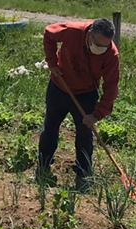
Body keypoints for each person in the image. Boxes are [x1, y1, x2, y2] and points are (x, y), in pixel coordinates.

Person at [37, 17, 120, 191]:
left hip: (86, 94)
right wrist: (52, 63)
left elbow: (111, 87)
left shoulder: (111, 54)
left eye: (105, 46)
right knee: (50, 127)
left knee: (84, 135)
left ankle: (83, 174)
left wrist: (96, 114)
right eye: (98, 45)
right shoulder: (72, 31)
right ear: (90, 35)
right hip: (59, 86)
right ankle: (43, 166)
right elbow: (48, 34)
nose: (101, 49)